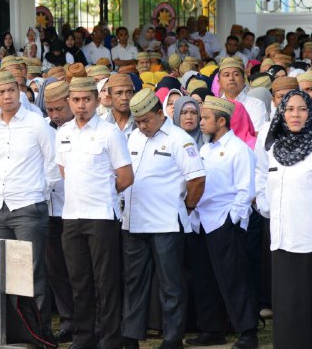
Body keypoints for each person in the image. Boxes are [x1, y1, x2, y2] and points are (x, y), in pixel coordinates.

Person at [256, 90, 312, 348]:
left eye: (302, 109)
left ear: (311, 113)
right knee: (288, 312)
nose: (296, 114)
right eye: (290, 109)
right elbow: (266, 187)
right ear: (281, 114)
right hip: (283, 243)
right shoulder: (273, 151)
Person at [122, 88, 206, 349]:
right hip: (133, 222)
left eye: (146, 120)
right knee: (134, 282)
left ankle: (172, 338)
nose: (142, 125)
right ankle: (131, 336)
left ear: (161, 113)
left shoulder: (179, 139)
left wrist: (187, 208)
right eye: (138, 121)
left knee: (170, 285)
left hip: (166, 223)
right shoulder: (133, 137)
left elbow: (197, 180)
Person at [57, 76, 134, 349]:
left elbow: (125, 176)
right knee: (79, 282)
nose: (81, 105)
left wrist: (103, 191)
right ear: (69, 101)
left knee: (106, 283)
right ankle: (83, 339)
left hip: (101, 216)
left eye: (86, 99)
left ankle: (109, 341)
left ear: (97, 100)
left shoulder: (109, 132)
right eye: (76, 100)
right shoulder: (63, 132)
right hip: (71, 216)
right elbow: (63, 171)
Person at [0, 71, 60, 321]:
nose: (7, 96)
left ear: (19, 91)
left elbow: (53, 162)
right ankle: (11, 327)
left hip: (29, 205)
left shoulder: (36, 122)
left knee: (33, 271)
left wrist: (38, 190)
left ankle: (39, 331)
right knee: (4, 271)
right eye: (1, 92)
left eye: (11, 90)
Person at [187, 96, 258, 348]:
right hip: (201, 222)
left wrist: (232, 220)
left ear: (222, 121)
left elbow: (246, 190)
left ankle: (248, 331)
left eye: (205, 118)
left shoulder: (239, 149)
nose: (200, 122)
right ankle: (212, 329)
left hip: (224, 222)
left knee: (234, 279)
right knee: (205, 279)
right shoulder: (204, 149)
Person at [40, 80, 75, 342]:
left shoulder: (82, 129)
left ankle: (88, 321)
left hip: (77, 210)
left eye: (59, 109)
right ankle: (68, 321)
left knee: (80, 269)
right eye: (50, 110)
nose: (55, 115)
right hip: (49, 210)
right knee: (56, 269)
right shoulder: (42, 128)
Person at [218, 57, 269, 130]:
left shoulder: (256, 105)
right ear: (219, 82)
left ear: (244, 80)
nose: (231, 78)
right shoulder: (215, 107)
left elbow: (257, 135)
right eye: (226, 75)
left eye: (236, 74)